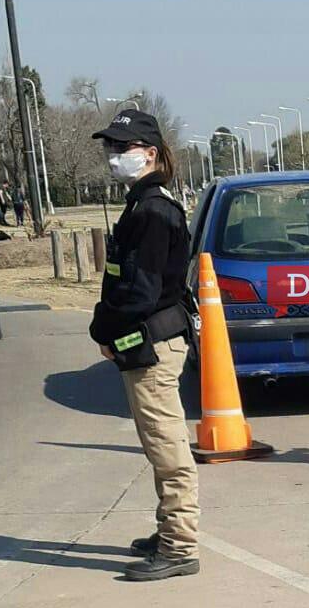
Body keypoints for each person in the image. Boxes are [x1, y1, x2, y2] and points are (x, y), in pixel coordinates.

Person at [89, 109, 199, 581]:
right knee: (158, 446)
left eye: (123, 148)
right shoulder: (144, 204)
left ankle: (179, 546)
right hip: (146, 342)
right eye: (110, 147)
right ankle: (168, 530)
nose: (114, 156)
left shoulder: (153, 211)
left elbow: (140, 292)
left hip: (153, 343)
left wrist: (103, 330)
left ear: (150, 154)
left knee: (168, 448)